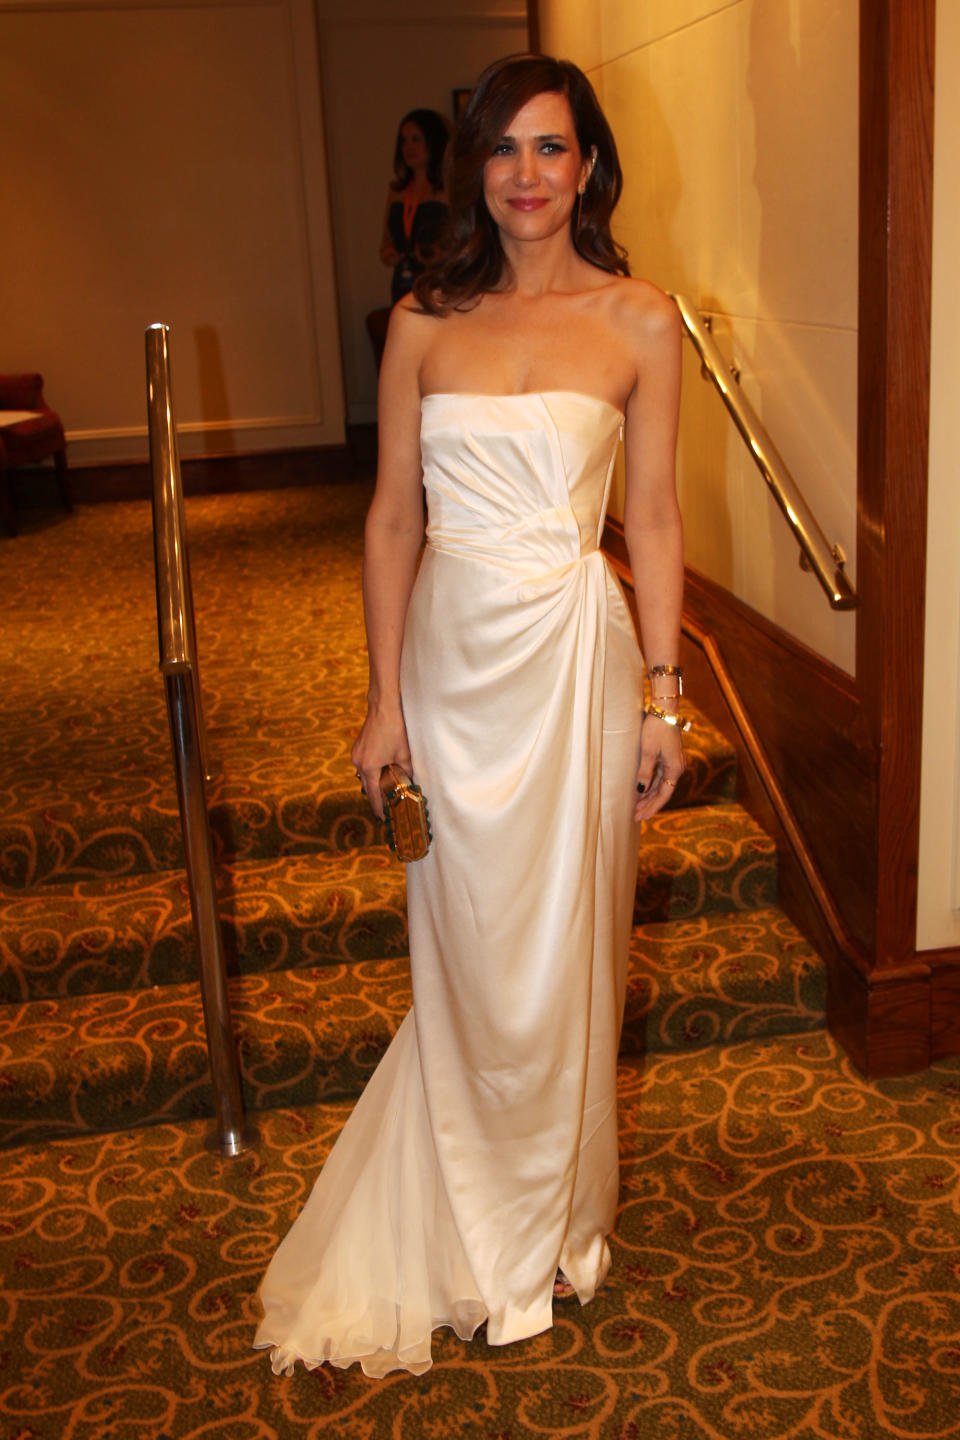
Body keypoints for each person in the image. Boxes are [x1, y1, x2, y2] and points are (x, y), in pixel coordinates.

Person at [255, 52, 686, 1380]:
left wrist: (668, 693)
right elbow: (392, 516)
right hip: (450, 667)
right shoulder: (425, 323)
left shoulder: (642, 321)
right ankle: (469, 1217)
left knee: (569, 953)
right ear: (473, 172)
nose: (527, 176)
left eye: (552, 150)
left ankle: (555, 1227)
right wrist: (380, 701)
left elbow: (655, 517)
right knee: (466, 947)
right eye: (503, 150)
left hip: (573, 659)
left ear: (590, 166)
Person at [381, 108, 450, 304]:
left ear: (433, 141)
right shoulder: (397, 190)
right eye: (404, 140)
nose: (408, 147)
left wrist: (439, 253)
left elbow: (467, 241)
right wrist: (388, 253)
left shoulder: (449, 189)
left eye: (416, 139)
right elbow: (385, 243)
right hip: (403, 285)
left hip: (441, 284)